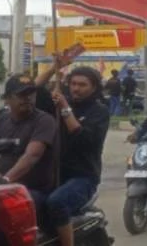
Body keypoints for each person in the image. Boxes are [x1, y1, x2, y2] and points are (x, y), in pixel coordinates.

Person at [38, 66, 110, 246]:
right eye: (73, 84)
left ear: (94, 88)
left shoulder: (99, 111)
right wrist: (55, 67)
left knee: (57, 202)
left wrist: (65, 109)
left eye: (82, 85)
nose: (76, 88)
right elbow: (35, 88)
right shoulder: (57, 103)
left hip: (83, 176)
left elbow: (84, 139)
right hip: (54, 173)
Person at [0, 74, 57, 196]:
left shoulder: (44, 120)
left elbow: (32, 155)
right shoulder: (3, 119)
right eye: (21, 95)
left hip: (31, 190)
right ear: (7, 98)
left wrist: (5, 180)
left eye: (31, 94)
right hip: (0, 187)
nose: (28, 98)